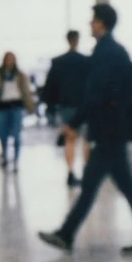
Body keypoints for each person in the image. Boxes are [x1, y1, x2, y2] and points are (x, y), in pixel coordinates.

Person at [38, 4, 132, 255]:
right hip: (112, 129)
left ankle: (68, 234)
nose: (90, 24)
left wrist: (73, 123)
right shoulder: (112, 51)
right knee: (115, 184)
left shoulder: (107, 52)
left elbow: (95, 94)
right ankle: (68, 234)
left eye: (93, 20)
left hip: (109, 130)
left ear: (102, 23)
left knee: (108, 185)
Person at [44, 30, 92, 185]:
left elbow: (50, 86)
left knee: (69, 139)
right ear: (77, 40)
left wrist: (50, 105)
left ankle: (70, 172)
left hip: (65, 105)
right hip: (83, 105)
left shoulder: (58, 62)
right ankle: (86, 171)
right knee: (85, 139)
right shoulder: (86, 61)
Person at [0, 51, 36, 171]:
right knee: (2, 134)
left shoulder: (20, 75)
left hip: (16, 106)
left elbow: (26, 92)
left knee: (16, 135)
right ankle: (5, 157)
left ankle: (16, 160)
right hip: (2, 106)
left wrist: (30, 106)